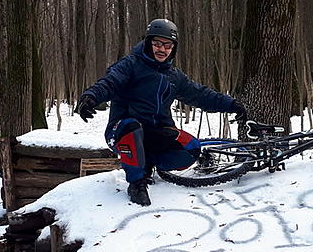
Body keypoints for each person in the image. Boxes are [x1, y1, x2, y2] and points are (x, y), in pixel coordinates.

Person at [76, 18, 246, 206]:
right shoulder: (130, 65)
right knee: (132, 127)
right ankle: (136, 183)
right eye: (157, 43)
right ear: (148, 43)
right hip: (122, 132)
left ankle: (146, 162)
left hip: (155, 133)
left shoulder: (174, 76)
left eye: (167, 45)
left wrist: (232, 105)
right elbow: (110, 82)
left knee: (191, 149)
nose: (162, 49)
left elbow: (200, 95)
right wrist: (90, 97)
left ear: (173, 48)